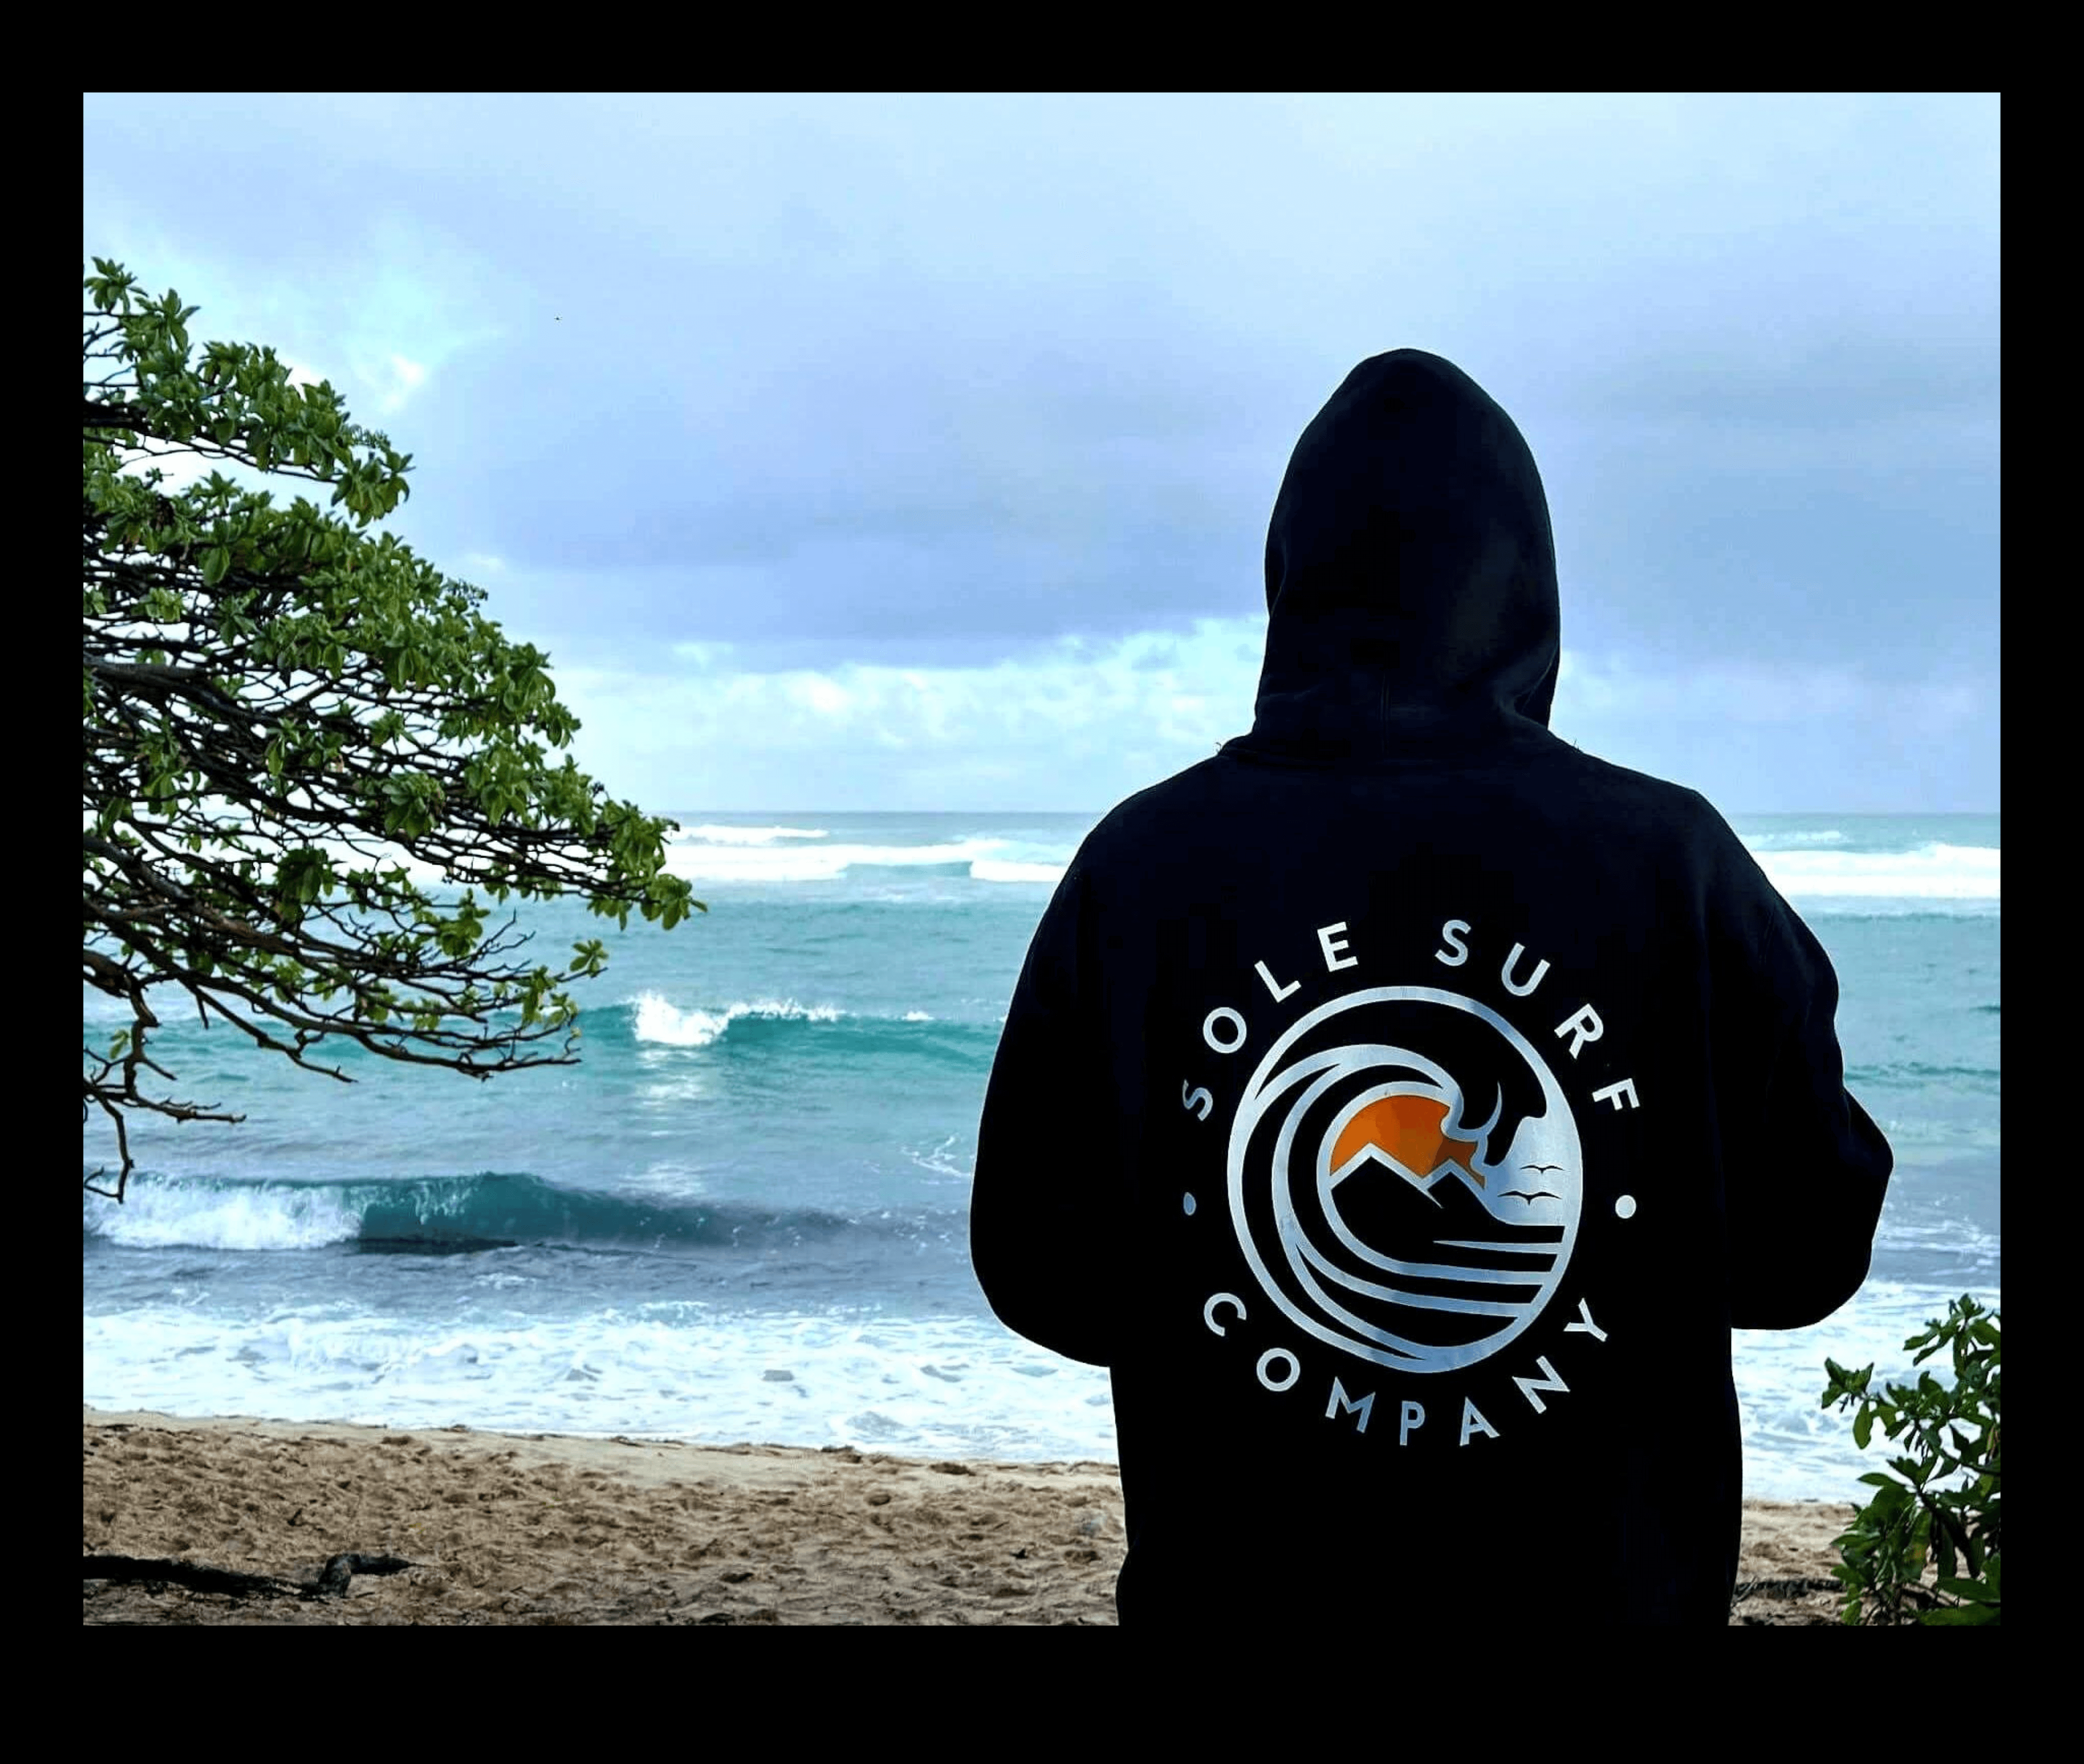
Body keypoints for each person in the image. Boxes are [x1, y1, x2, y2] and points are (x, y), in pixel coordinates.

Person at [969, 349, 1892, 1627]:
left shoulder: (1140, 869)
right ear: (1526, 585)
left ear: (1289, 580)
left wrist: (1245, 1315)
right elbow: (1807, 1253)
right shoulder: (1671, 864)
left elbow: (1035, 1263)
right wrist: (1616, 1269)